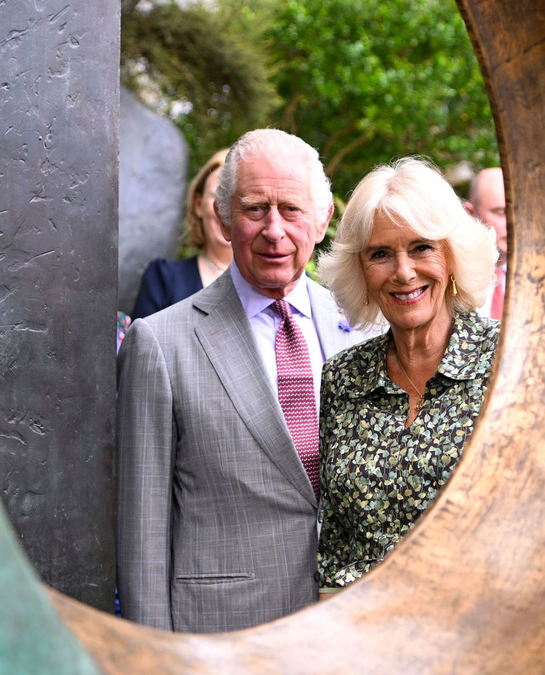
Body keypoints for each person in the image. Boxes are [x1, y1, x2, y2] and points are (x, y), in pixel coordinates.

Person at [117, 129, 372, 632]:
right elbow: (141, 532)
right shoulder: (159, 343)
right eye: (256, 209)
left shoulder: (366, 328)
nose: (274, 230)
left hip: (350, 632)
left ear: (322, 220)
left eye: (292, 209)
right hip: (222, 636)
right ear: (224, 218)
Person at [315, 157, 499, 593]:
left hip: (475, 631)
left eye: (421, 247)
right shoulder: (342, 378)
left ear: (452, 256)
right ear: (361, 270)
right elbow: (336, 540)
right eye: (381, 253)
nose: (402, 272)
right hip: (358, 640)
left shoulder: (507, 360)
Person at [130, 149, 230, 319]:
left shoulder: (270, 285)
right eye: (218, 195)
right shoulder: (163, 279)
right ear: (199, 205)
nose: (225, 210)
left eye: (236, 198)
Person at [464, 166, 508, 320]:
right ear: (471, 213)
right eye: (501, 212)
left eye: (517, 211)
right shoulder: (455, 275)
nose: (512, 222)